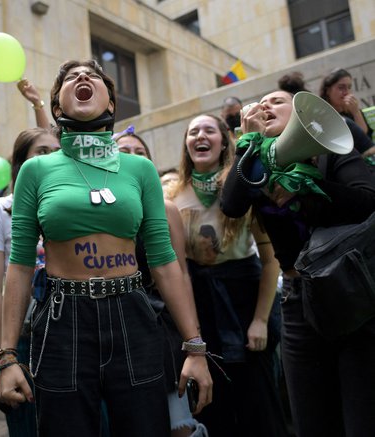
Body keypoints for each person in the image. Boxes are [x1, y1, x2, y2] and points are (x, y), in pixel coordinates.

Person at [0, 59, 212, 437]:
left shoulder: (140, 170)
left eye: (93, 75)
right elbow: (18, 266)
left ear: (111, 104)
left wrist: (195, 350)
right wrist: (7, 357)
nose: (83, 77)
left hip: (133, 315)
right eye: (69, 77)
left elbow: (165, 263)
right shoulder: (36, 171)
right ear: (58, 108)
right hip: (62, 322)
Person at [221, 90, 375, 436]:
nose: (265, 106)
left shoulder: (331, 153)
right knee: (311, 420)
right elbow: (231, 204)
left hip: (351, 296)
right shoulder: (257, 161)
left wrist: (306, 191)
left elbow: (368, 200)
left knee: (362, 417)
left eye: (276, 101)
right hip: (297, 301)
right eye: (260, 103)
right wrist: (248, 143)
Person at [167, 113, 286, 437]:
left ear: (223, 142)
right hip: (198, 306)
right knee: (212, 402)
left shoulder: (242, 186)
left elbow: (270, 259)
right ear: (186, 144)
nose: (200, 136)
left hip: (244, 302)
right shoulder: (172, 194)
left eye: (208, 130)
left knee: (259, 403)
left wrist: (261, 320)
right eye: (193, 131)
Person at [114, 127, 209, 437]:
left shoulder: (165, 210)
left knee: (177, 423)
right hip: (110, 328)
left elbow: (180, 275)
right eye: (123, 150)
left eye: (139, 153)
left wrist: (195, 345)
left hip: (159, 330)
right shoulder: (92, 208)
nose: (131, 157)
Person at [0, 127, 58, 436]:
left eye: (56, 152)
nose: (51, 159)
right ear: (21, 163)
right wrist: (3, 360)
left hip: (70, 334)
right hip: (21, 341)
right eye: (41, 152)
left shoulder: (71, 208)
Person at [319, 68, 371, 137]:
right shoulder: (322, 116)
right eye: (341, 87)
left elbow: (364, 140)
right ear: (328, 91)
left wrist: (356, 113)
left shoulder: (353, 111)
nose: (346, 92)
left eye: (349, 87)